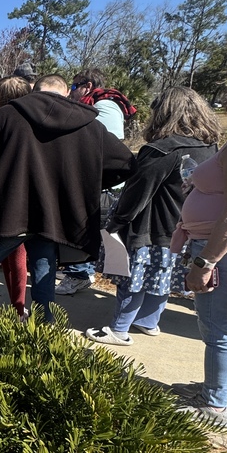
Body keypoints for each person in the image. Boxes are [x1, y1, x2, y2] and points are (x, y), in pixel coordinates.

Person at [0, 74, 135, 320]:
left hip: (11, 215)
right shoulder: (89, 124)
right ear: (65, 93)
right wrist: (85, 185)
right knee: (43, 284)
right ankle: (43, 341)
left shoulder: (5, 116)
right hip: (54, 219)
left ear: (35, 90)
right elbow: (126, 164)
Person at [86, 87, 220, 346]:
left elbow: (137, 192)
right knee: (163, 275)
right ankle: (148, 321)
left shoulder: (163, 150)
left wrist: (117, 222)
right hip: (184, 228)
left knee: (133, 278)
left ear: (164, 113)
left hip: (150, 226)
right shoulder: (210, 148)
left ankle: (119, 329)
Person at [171, 84, 227, 429]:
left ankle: (214, 404)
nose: (224, 100)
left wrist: (204, 262)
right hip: (216, 244)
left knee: (217, 326)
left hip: (218, 247)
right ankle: (220, 388)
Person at [56, 69, 139, 295]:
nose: (71, 93)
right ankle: (82, 270)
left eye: (74, 87)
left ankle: (79, 275)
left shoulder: (103, 108)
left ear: (88, 86)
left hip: (101, 184)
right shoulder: (101, 105)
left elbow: (95, 145)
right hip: (98, 182)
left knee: (83, 227)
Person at [0, 75, 33, 317]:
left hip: (12, 200)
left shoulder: (1, 120)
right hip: (22, 199)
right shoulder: (31, 121)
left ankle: (19, 307)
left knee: (16, 257)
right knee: (10, 258)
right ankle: (17, 306)